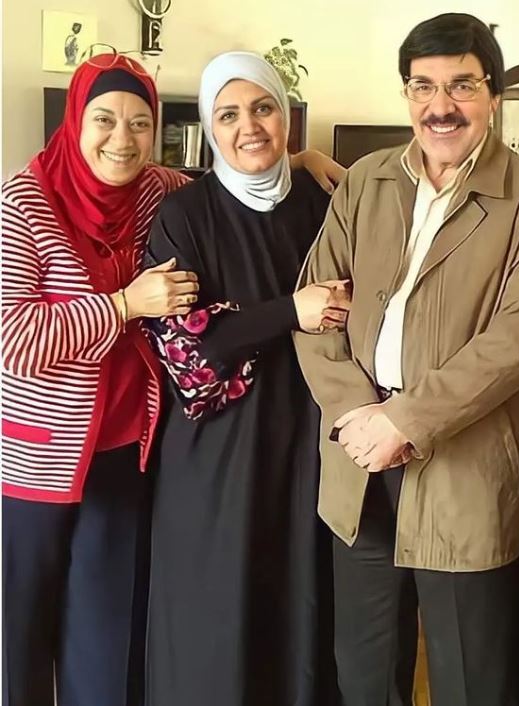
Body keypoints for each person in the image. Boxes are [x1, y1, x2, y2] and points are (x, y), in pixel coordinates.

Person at [1, 50, 344, 706]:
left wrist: (297, 159)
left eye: (139, 124)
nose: (122, 139)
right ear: (74, 123)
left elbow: (236, 169)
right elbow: (11, 339)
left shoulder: (156, 190)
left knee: (105, 644)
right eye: (104, 120)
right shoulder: (24, 203)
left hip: (126, 451)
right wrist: (124, 304)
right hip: (40, 461)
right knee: (23, 635)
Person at [294, 12, 519, 706]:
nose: (440, 106)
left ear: (493, 95)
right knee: (364, 676)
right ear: (407, 94)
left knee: (470, 679)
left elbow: (513, 343)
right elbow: (315, 308)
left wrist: (406, 421)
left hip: (464, 472)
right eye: (423, 86)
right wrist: (359, 415)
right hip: (359, 465)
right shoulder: (365, 181)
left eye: (462, 86)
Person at [144, 51, 346, 706]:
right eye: (228, 115)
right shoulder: (184, 215)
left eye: (262, 108)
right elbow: (187, 348)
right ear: (209, 126)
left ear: (285, 115)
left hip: (306, 447)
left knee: (298, 611)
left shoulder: (322, 201)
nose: (249, 127)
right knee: (214, 615)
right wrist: (292, 312)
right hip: (218, 457)